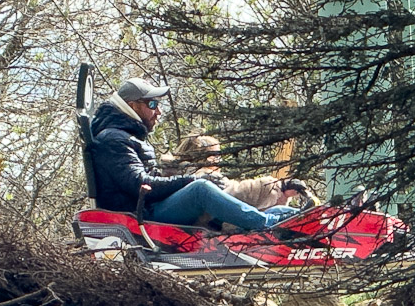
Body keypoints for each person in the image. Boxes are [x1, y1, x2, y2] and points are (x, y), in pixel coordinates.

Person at [87, 77, 293, 231]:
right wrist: (189, 180)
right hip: (141, 216)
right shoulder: (113, 139)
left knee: (278, 212)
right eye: (152, 104)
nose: (158, 111)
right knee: (200, 189)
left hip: (149, 208)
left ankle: (298, 218)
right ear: (132, 106)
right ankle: (267, 226)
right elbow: (139, 183)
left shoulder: (126, 137)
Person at [160, 134, 315, 210]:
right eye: (216, 156)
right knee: (273, 216)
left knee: (275, 212)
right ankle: (299, 217)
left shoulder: (184, 175)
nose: (219, 160)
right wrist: (274, 186)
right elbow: (236, 194)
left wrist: (282, 195)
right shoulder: (201, 177)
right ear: (205, 158)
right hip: (210, 231)